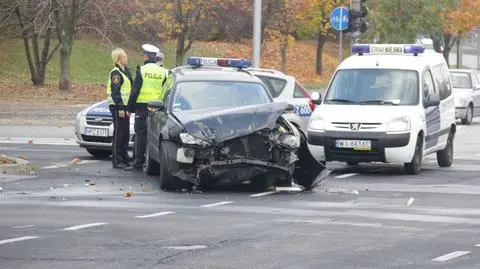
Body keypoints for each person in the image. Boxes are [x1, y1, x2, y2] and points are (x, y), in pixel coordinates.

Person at [127, 44, 170, 171]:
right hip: (158, 108)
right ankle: (152, 161)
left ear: (146, 56)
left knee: (140, 134)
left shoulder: (142, 70)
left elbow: (135, 91)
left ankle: (138, 163)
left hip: (142, 107)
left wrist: (129, 108)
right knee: (155, 134)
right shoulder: (165, 72)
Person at [107, 48, 133, 170]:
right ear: (118, 59)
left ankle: (125, 158)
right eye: (124, 57)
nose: (126, 58)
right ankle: (117, 160)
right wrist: (121, 108)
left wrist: (128, 108)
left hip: (125, 107)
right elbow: (115, 92)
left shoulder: (125, 71)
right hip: (118, 107)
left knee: (125, 134)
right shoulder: (116, 73)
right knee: (119, 134)